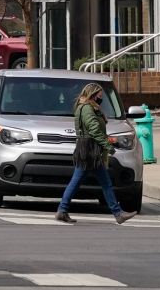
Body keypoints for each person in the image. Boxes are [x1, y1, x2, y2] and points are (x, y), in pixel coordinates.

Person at [55, 82, 136, 224]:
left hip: (89, 149)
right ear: (92, 94)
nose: (101, 97)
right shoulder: (87, 108)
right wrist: (108, 146)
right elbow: (94, 130)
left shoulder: (89, 107)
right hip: (89, 150)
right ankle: (117, 213)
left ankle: (63, 210)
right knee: (99, 182)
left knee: (93, 181)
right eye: (99, 95)